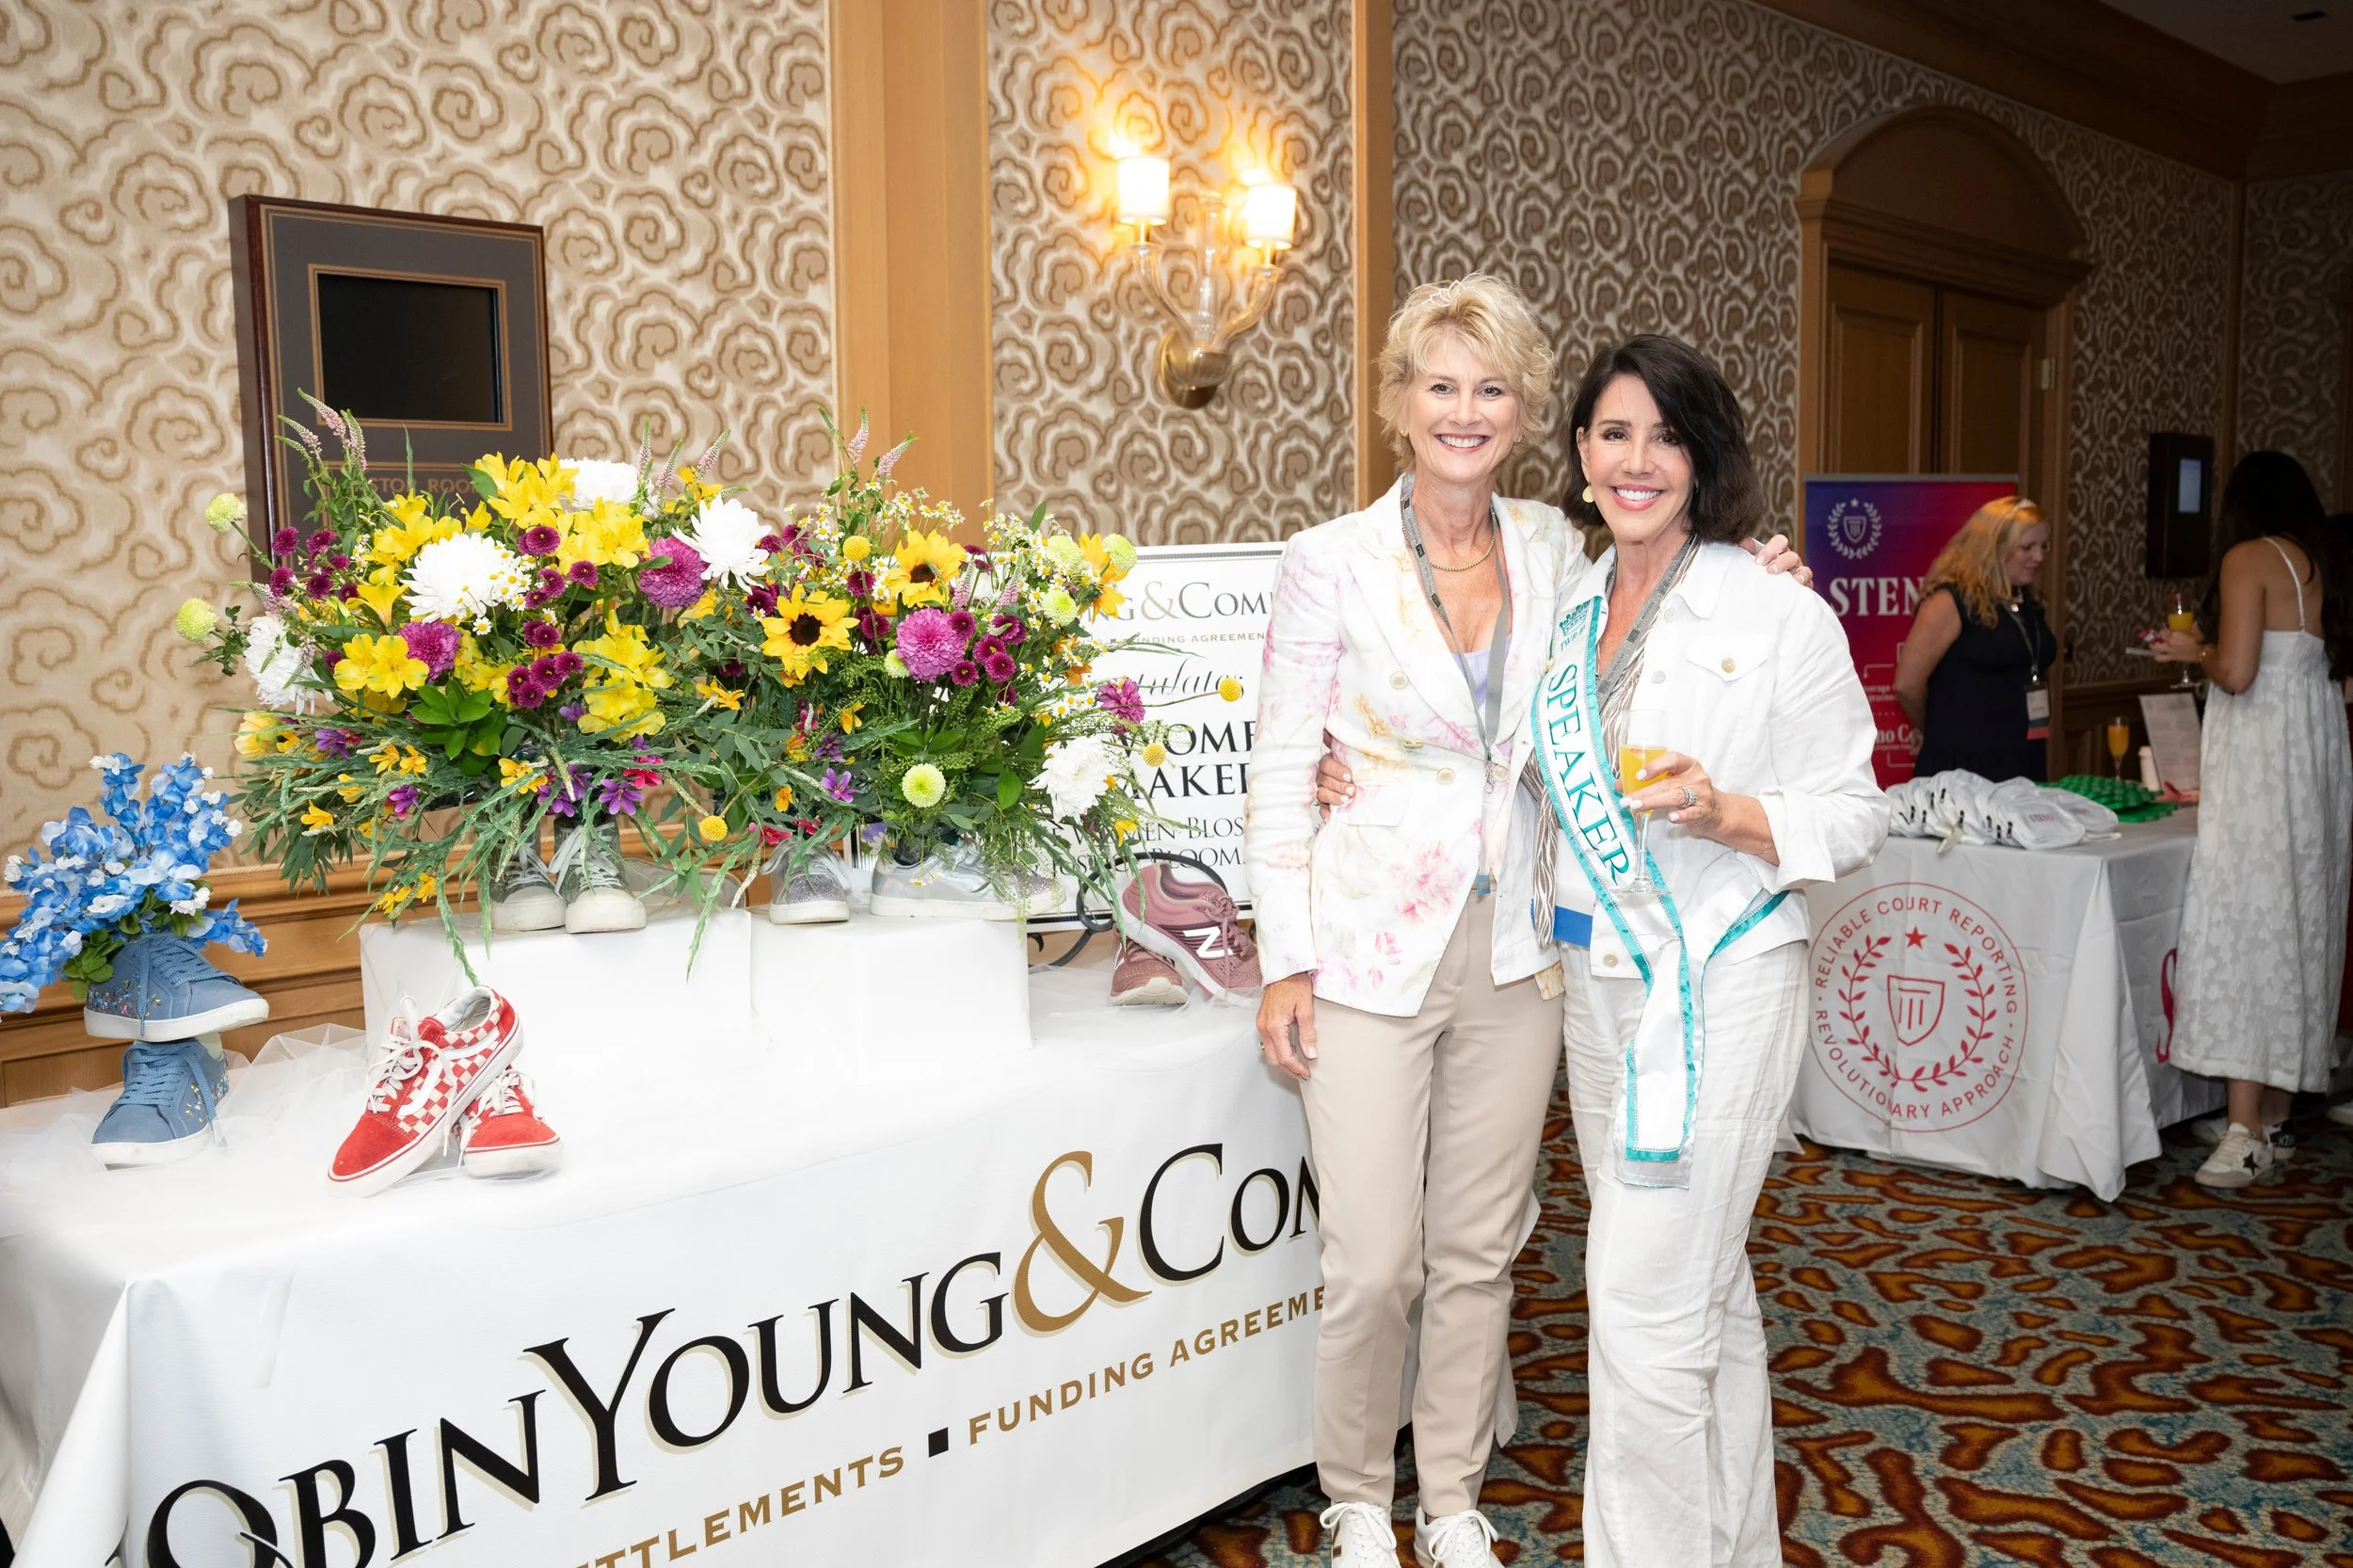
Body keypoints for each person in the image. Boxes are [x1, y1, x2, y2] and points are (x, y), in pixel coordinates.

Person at [1316, 333, 1882, 1567]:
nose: (1639, 460)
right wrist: (1343, 772)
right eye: (1615, 433)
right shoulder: (1563, 602)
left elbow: (1854, 806)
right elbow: (1482, 765)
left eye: (1667, 436)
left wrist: (1729, 809)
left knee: (1638, 1309)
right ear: (1578, 452)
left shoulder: (1773, 606)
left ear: (1706, 456)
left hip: (1723, 973)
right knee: (1703, 1296)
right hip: (1597, 985)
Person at [2155, 450, 2353, 1186]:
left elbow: (2237, 671)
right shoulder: (2320, 562)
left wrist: (2189, 648)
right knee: (2302, 922)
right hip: (2317, 764)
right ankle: (2273, 1111)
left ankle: (2244, 1133)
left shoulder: (2246, 559)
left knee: (2248, 922)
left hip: (2264, 766)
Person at [1891, 496, 2057, 781]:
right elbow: (1907, 684)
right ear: (1994, 548)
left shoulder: (2026, 599)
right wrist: (1930, 727)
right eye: (2027, 547)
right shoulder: (1950, 600)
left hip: (2023, 757)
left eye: (2043, 546)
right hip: (1964, 764)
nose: (2039, 557)